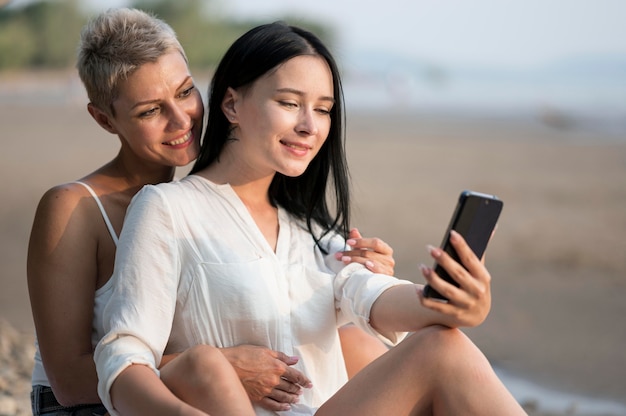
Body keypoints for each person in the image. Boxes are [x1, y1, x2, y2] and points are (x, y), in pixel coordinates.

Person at [94, 21, 527, 416]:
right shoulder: (167, 209)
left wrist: (452, 303)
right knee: (441, 349)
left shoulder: (316, 234)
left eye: (322, 109)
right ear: (231, 104)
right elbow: (124, 359)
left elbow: (375, 296)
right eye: (289, 103)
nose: (309, 126)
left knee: (443, 342)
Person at [26, 9, 393, 415]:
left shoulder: (205, 203)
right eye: (150, 111)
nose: (181, 120)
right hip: (93, 406)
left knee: (354, 343)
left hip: (195, 391)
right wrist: (222, 362)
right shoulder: (74, 207)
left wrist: (356, 273)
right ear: (104, 119)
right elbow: (66, 379)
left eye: (185, 92)